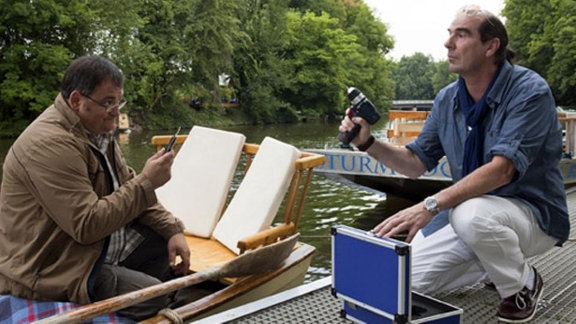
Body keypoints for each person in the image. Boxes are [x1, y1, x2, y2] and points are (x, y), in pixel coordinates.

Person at [340, 4, 569, 323]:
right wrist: (367, 143)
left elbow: (502, 170)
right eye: (449, 34)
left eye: (461, 35)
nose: (448, 43)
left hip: (532, 214)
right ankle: (492, 265)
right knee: (404, 283)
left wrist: (429, 205)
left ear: (491, 46)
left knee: (470, 215)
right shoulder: (448, 99)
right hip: (472, 215)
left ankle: (522, 285)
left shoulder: (529, 91)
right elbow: (414, 164)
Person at [0, 55, 191, 320]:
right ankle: (148, 302)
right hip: (49, 267)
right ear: (77, 101)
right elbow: (87, 225)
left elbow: (127, 183)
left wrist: (172, 229)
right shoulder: (48, 145)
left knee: (161, 241)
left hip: (83, 249)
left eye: (118, 101)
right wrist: (148, 181)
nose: (116, 111)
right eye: (108, 102)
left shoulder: (96, 129)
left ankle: (140, 289)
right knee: (154, 297)